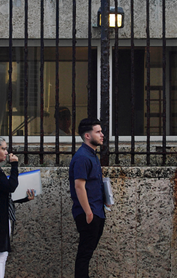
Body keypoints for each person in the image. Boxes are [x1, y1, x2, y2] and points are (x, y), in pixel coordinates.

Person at [0, 133, 35, 278]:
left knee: (1, 255)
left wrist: (25, 199)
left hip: (0, 215)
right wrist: (15, 165)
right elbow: (11, 186)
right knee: (0, 256)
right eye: (3, 149)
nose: (7, 152)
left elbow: (5, 194)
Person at [69, 118, 108, 278]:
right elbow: (79, 186)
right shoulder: (83, 157)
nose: (102, 135)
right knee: (84, 255)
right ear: (87, 135)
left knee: (87, 254)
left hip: (96, 210)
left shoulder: (91, 155)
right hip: (89, 213)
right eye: (98, 131)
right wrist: (88, 212)